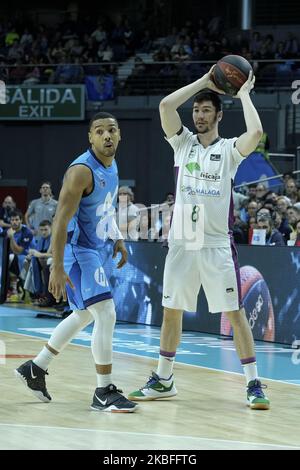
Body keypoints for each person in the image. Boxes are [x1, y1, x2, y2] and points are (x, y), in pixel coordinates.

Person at [129, 66, 270, 409]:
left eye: (206, 109)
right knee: (172, 310)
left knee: (235, 314)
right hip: (183, 240)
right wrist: (204, 83)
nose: (199, 114)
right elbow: (165, 107)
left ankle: (253, 384)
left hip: (216, 244)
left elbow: (257, 132)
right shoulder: (183, 144)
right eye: (196, 109)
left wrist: (244, 94)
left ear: (219, 115)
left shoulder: (230, 151)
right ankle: (164, 379)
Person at [15, 112, 137, 413]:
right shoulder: (81, 172)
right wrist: (56, 266)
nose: (106, 136)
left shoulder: (112, 164)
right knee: (105, 313)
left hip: (93, 247)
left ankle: (36, 368)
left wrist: (117, 236)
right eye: (99, 131)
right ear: (90, 137)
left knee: (84, 315)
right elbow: (59, 222)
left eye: (111, 130)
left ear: (119, 134)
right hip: (76, 249)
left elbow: (104, 210)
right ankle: (103, 390)